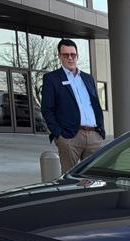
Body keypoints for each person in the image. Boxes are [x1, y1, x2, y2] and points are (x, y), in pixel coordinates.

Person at [41, 39, 105, 173]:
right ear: (59, 56)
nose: (70, 58)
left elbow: (95, 105)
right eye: (66, 55)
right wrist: (59, 136)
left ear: (77, 56)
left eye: (73, 54)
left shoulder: (88, 78)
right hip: (70, 138)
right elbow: (47, 110)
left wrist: (101, 131)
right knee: (70, 180)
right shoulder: (52, 78)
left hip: (94, 136)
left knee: (94, 178)